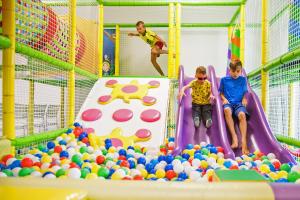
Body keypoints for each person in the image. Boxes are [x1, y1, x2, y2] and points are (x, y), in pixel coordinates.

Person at [219, 59, 249, 155]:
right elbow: (221, 93)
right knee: (227, 110)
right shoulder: (224, 80)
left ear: (241, 71)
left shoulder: (243, 79)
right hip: (229, 103)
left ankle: (244, 142)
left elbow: (244, 92)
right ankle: (234, 137)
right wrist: (224, 99)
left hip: (239, 103)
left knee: (242, 115)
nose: (235, 73)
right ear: (229, 70)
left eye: (238, 71)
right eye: (233, 71)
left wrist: (244, 99)